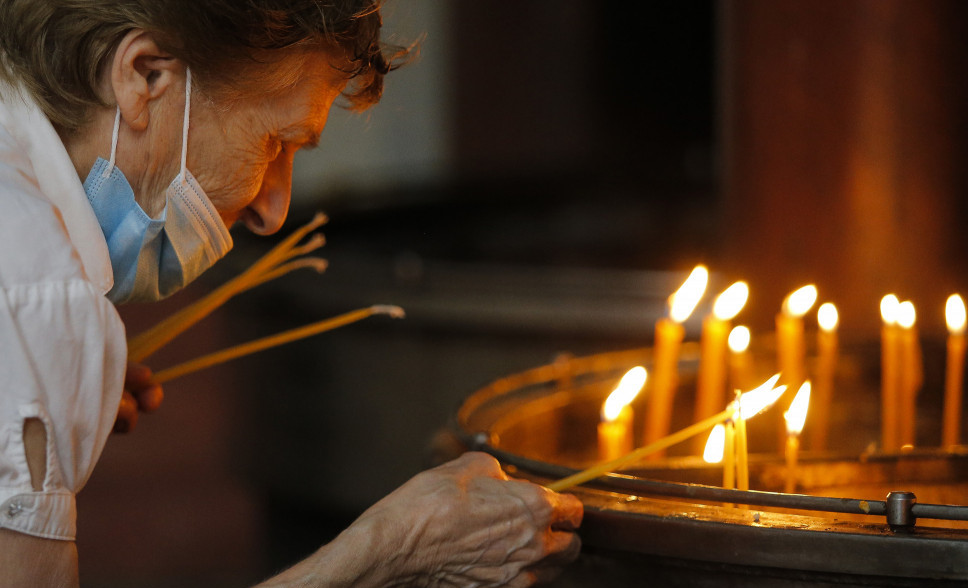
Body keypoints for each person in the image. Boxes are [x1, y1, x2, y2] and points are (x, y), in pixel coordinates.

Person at [0, 2, 583, 586]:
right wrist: (390, 552)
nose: (273, 212)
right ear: (145, 76)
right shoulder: (39, 291)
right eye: (276, 143)